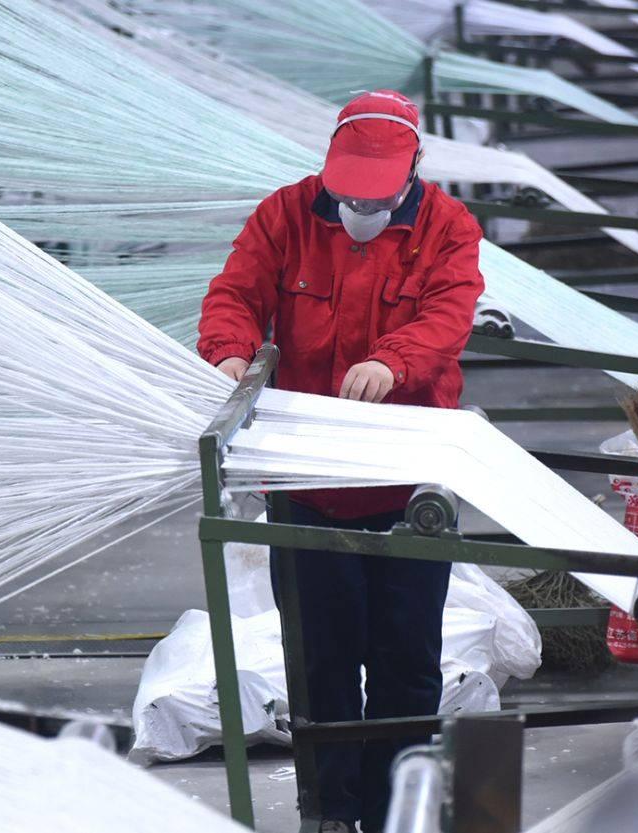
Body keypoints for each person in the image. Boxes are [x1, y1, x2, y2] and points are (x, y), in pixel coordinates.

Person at [197, 90, 485, 833]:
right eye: (347, 190)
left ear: (414, 166)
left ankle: (399, 809)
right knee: (321, 658)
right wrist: (228, 352)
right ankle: (328, 810)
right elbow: (234, 293)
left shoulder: (449, 228)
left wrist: (394, 361)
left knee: (407, 658)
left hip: (408, 480)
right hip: (311, 483)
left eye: (378, 193)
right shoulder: (286, 215)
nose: (360, 205)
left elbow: (448, 318)